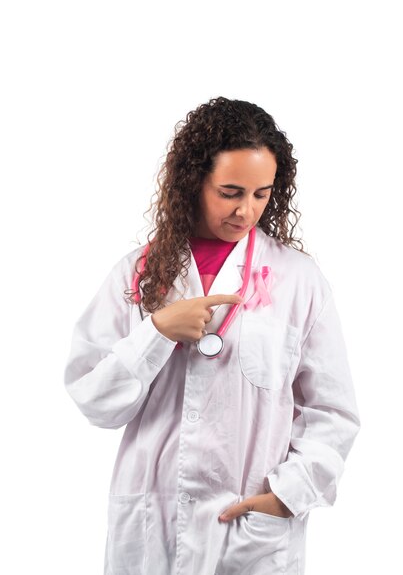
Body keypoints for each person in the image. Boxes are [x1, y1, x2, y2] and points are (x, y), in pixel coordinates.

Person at [63, 96, 361, 575]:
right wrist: (157, 332)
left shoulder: (298, 280)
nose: (246, 210)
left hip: (248, 530)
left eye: (261, 194)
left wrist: (288, 495)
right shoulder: (137, 273)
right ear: (194, 181)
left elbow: (332, 410)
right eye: (230, 191)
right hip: (152, 521)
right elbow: (94, 398)